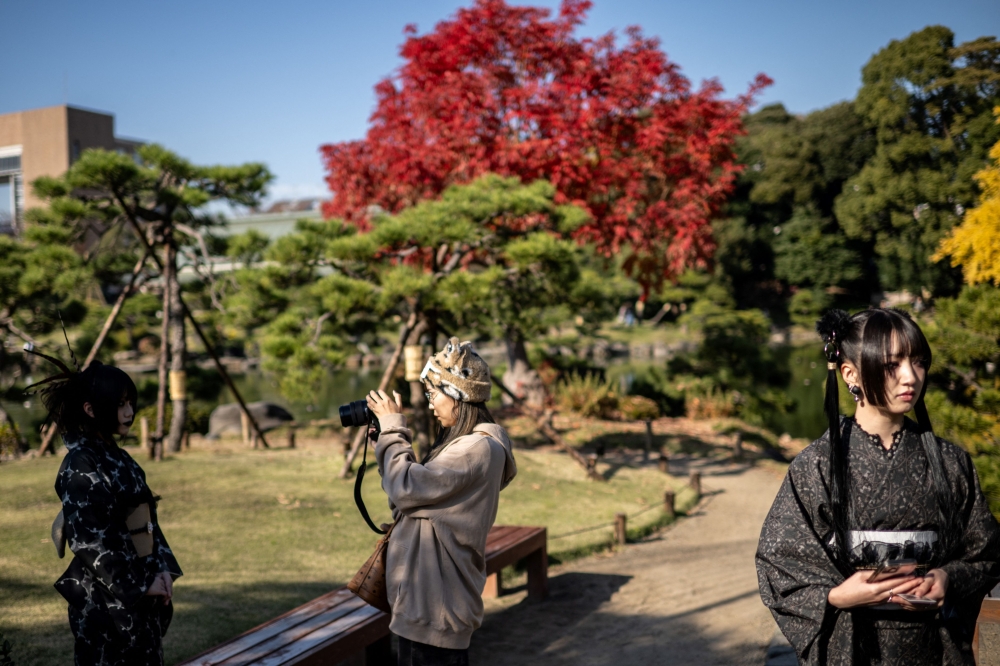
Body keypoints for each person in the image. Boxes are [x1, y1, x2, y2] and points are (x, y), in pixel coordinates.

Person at [756, 308, 1000, 665]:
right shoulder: (817, 465)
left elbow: (986, 551)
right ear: (850, 374)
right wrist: (836, 596)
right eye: (892, 365)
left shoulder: (950, 461)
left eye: (918, 362)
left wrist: (948, 577)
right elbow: (779, 562)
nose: (910, 377)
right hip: (850, 644)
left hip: (934, 646)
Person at [366, 337, 517, 666]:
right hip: (428, 606)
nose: (431, 404)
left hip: (436, 609)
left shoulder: (476, 449)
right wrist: (387, 445)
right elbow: (407, 502)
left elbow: (406, 489)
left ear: (458, 395)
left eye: (434, 394)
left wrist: (394, 428)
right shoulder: (468, 448)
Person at [28, 354, 182, 666]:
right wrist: (140, 584)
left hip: (142, 593)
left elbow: (148, 523)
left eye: (130, 402)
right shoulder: (79, 464)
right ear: (91, 409)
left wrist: (161, 570)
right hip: (104, 600)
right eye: (121, 404)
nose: (130, 412)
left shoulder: (120, 457)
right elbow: (90, 541)